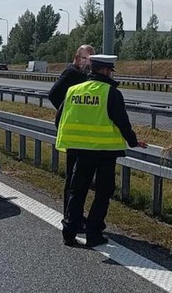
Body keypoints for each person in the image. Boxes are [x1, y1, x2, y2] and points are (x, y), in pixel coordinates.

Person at [55, 54, 146, 247]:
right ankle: (94, 233)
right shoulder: (111, 93)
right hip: (105, 151)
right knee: (103, 192)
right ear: (105, 70)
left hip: (80, 150)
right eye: (110, 71)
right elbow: (122, 122)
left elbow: (59, 117)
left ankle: (69, 232)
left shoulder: (73, 90)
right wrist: (133, 142)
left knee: (77, 189)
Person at [48, 44, 95, 221]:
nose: (89, 63)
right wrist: (67, 110)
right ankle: (70, 215)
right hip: (72, 131)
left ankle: (73, 214)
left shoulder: (81, 74)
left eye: (91, 59)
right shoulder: (71, 73)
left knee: (77, 176)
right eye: (86, 59)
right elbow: (53, 94)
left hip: (78, 131)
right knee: (73, 177)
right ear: (77, 58)